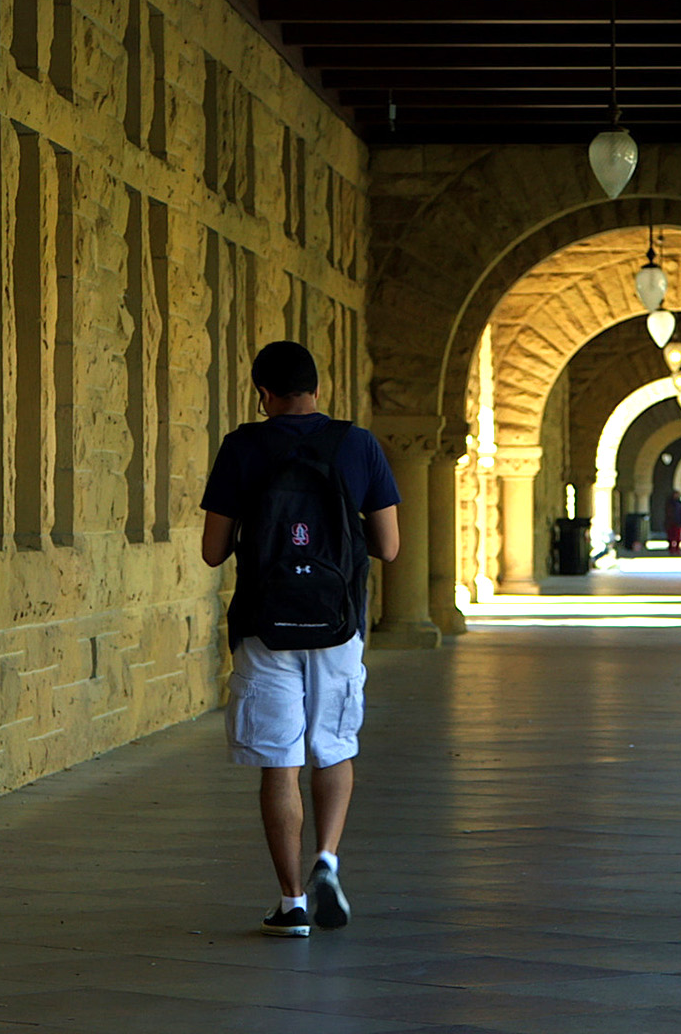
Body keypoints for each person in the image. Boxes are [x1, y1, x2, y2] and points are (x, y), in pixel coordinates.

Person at [200, 341, 402, 938]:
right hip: (338, 623)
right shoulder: (358, 445)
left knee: (278, 760)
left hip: (265, 625)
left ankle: (290, 904)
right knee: (333, 744)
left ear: (262, 393)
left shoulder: (242, 447)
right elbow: (389, 546)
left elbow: (213, 550)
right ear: (318, 388)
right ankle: (328, 860)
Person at [663, 490, 681, 555]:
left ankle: (677, 548)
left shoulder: (680, 504)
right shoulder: (669, 504)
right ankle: (671, 548)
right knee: (671, 536)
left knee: (677, 536)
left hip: (678, 522)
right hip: (671, 522)